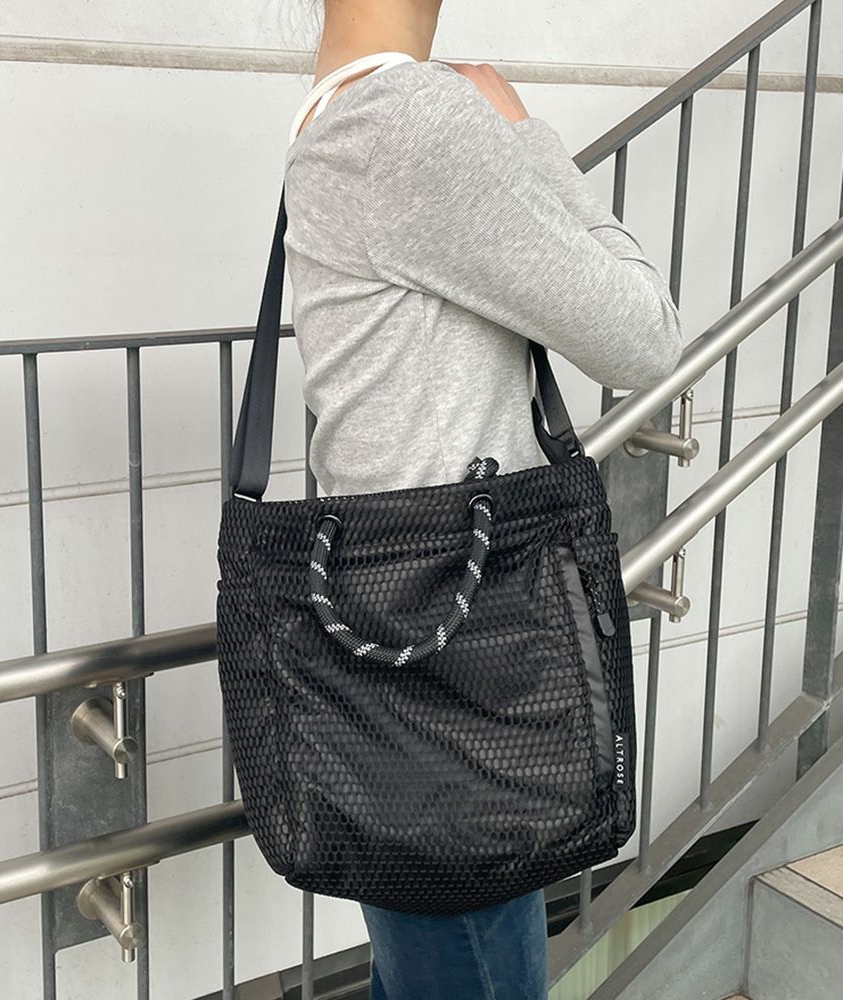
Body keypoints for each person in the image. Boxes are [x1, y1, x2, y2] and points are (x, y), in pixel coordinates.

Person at [283, 2, 683, 997]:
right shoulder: (416, 118)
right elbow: (645, 338)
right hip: (463, 661)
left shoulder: (329, 116)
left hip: (390, 642)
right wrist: (528, 139)